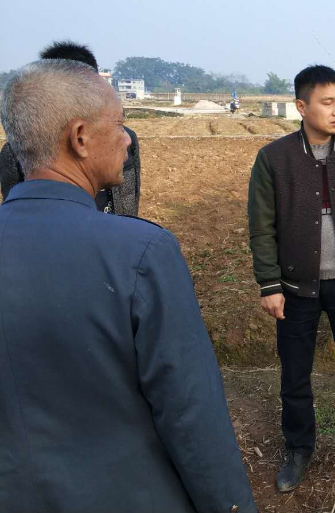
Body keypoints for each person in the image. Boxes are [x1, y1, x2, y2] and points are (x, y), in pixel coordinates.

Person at [0, 60, 256, 513]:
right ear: (80, 138)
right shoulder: (140, 252)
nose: (128, 139)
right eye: (119, 124)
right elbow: (189, 412)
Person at [248, 65, 335, 492]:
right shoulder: (274, 158)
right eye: (327, 102)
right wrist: (269, 284)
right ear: (301, 106)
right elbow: (262, 227)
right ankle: (298, 448)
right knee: (295, 375)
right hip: (295, 289)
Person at [0, 40, 141, 215]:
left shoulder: (125, 140)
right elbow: (15, 207)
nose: (124, 140)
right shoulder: (15, 150)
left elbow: (128, 196)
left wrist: (123, 226)